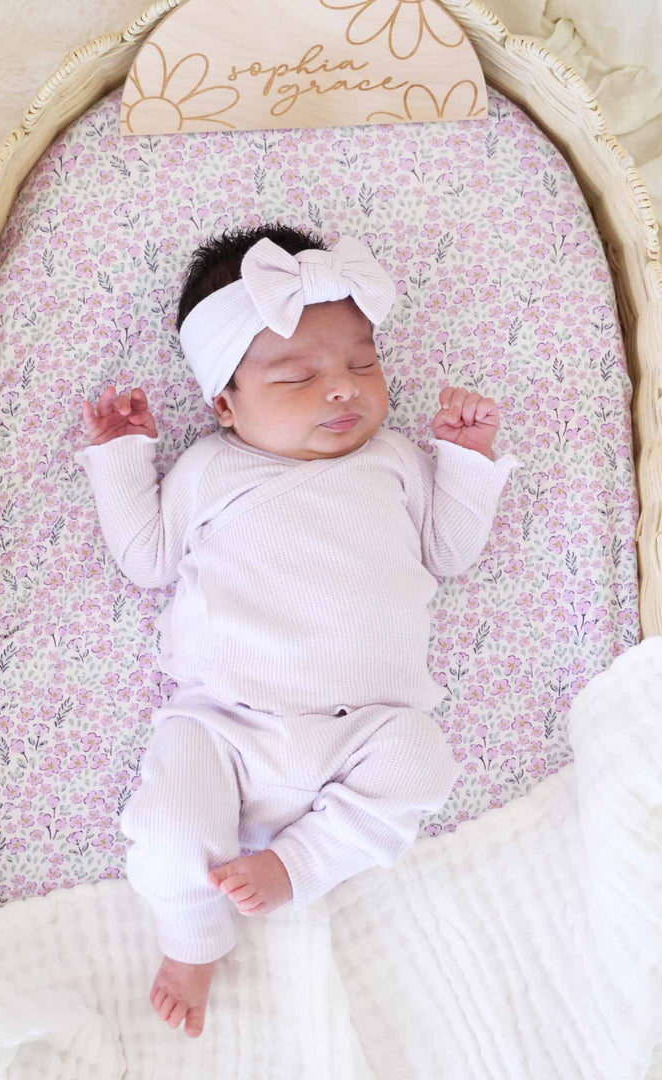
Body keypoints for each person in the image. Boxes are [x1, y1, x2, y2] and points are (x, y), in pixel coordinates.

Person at [74, 222, 522, 1038]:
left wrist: (466, 460)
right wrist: (121, 457)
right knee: (171, 831)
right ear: (224, 403)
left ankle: (297, 865)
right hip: (223, 727)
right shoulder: (210, 468)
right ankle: (190, 946)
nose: (343, 390)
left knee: (424, 763)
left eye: (362, 363)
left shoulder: (395, 461)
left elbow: (450, 553)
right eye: (296, 376)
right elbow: (146, 558)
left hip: (366, 728)